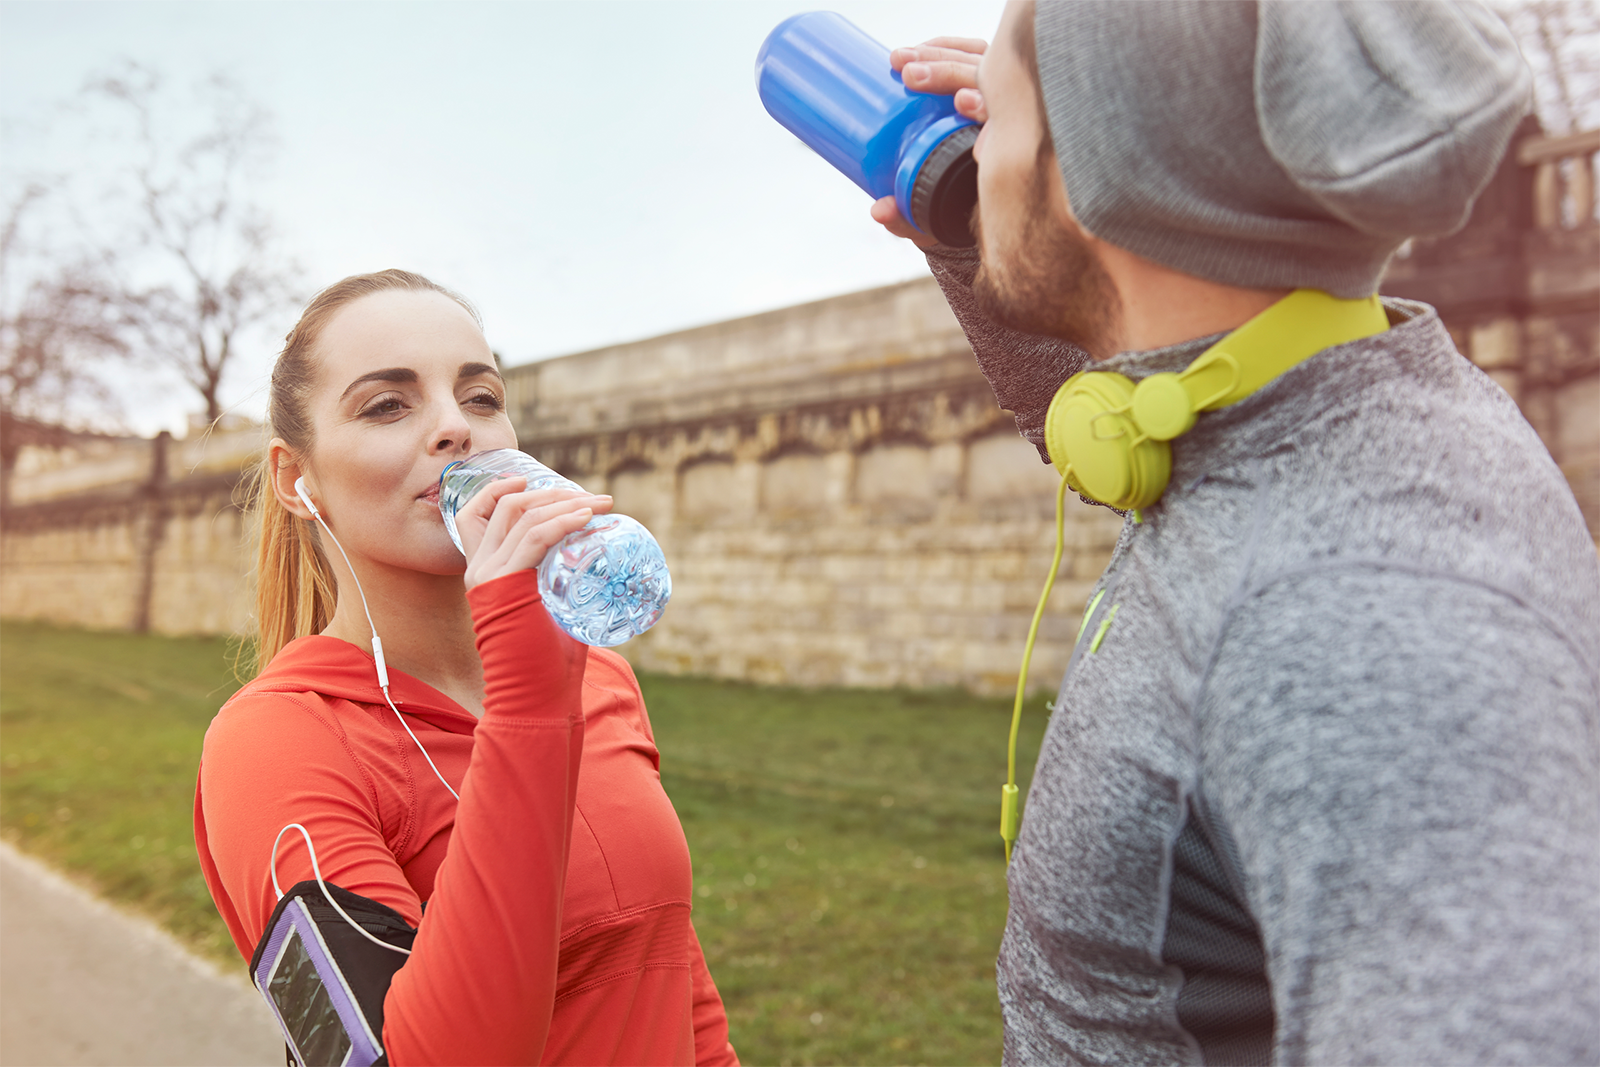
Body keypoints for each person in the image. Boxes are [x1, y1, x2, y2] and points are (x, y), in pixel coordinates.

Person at [869, 3, 1599, 1064]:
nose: (982, 158)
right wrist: (991, 219)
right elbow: (1131, 415)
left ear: (1095, 177)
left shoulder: (1355, 616)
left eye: (1006, 123)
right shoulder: (1318, 408)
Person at [195, 269, 739, 1066]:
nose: (456, 428)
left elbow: (672, 974)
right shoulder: (273, 741)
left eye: (480, 397)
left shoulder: (598, 679)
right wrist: (529, 707)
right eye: (388, 404)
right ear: (294, 477)